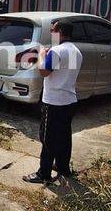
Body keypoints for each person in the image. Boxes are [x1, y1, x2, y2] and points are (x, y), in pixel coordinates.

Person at [23, 19, 83, 184]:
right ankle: (63, 168)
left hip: (54, 101)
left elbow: (44, 71)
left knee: (47, 138)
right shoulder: (76, 51)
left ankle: (44, 173)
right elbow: (62, 68)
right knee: (64, 136)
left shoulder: (56, 51)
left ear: (61, 32)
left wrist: (42, 55)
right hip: (70, 100)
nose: (51, 33)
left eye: (53, 30)